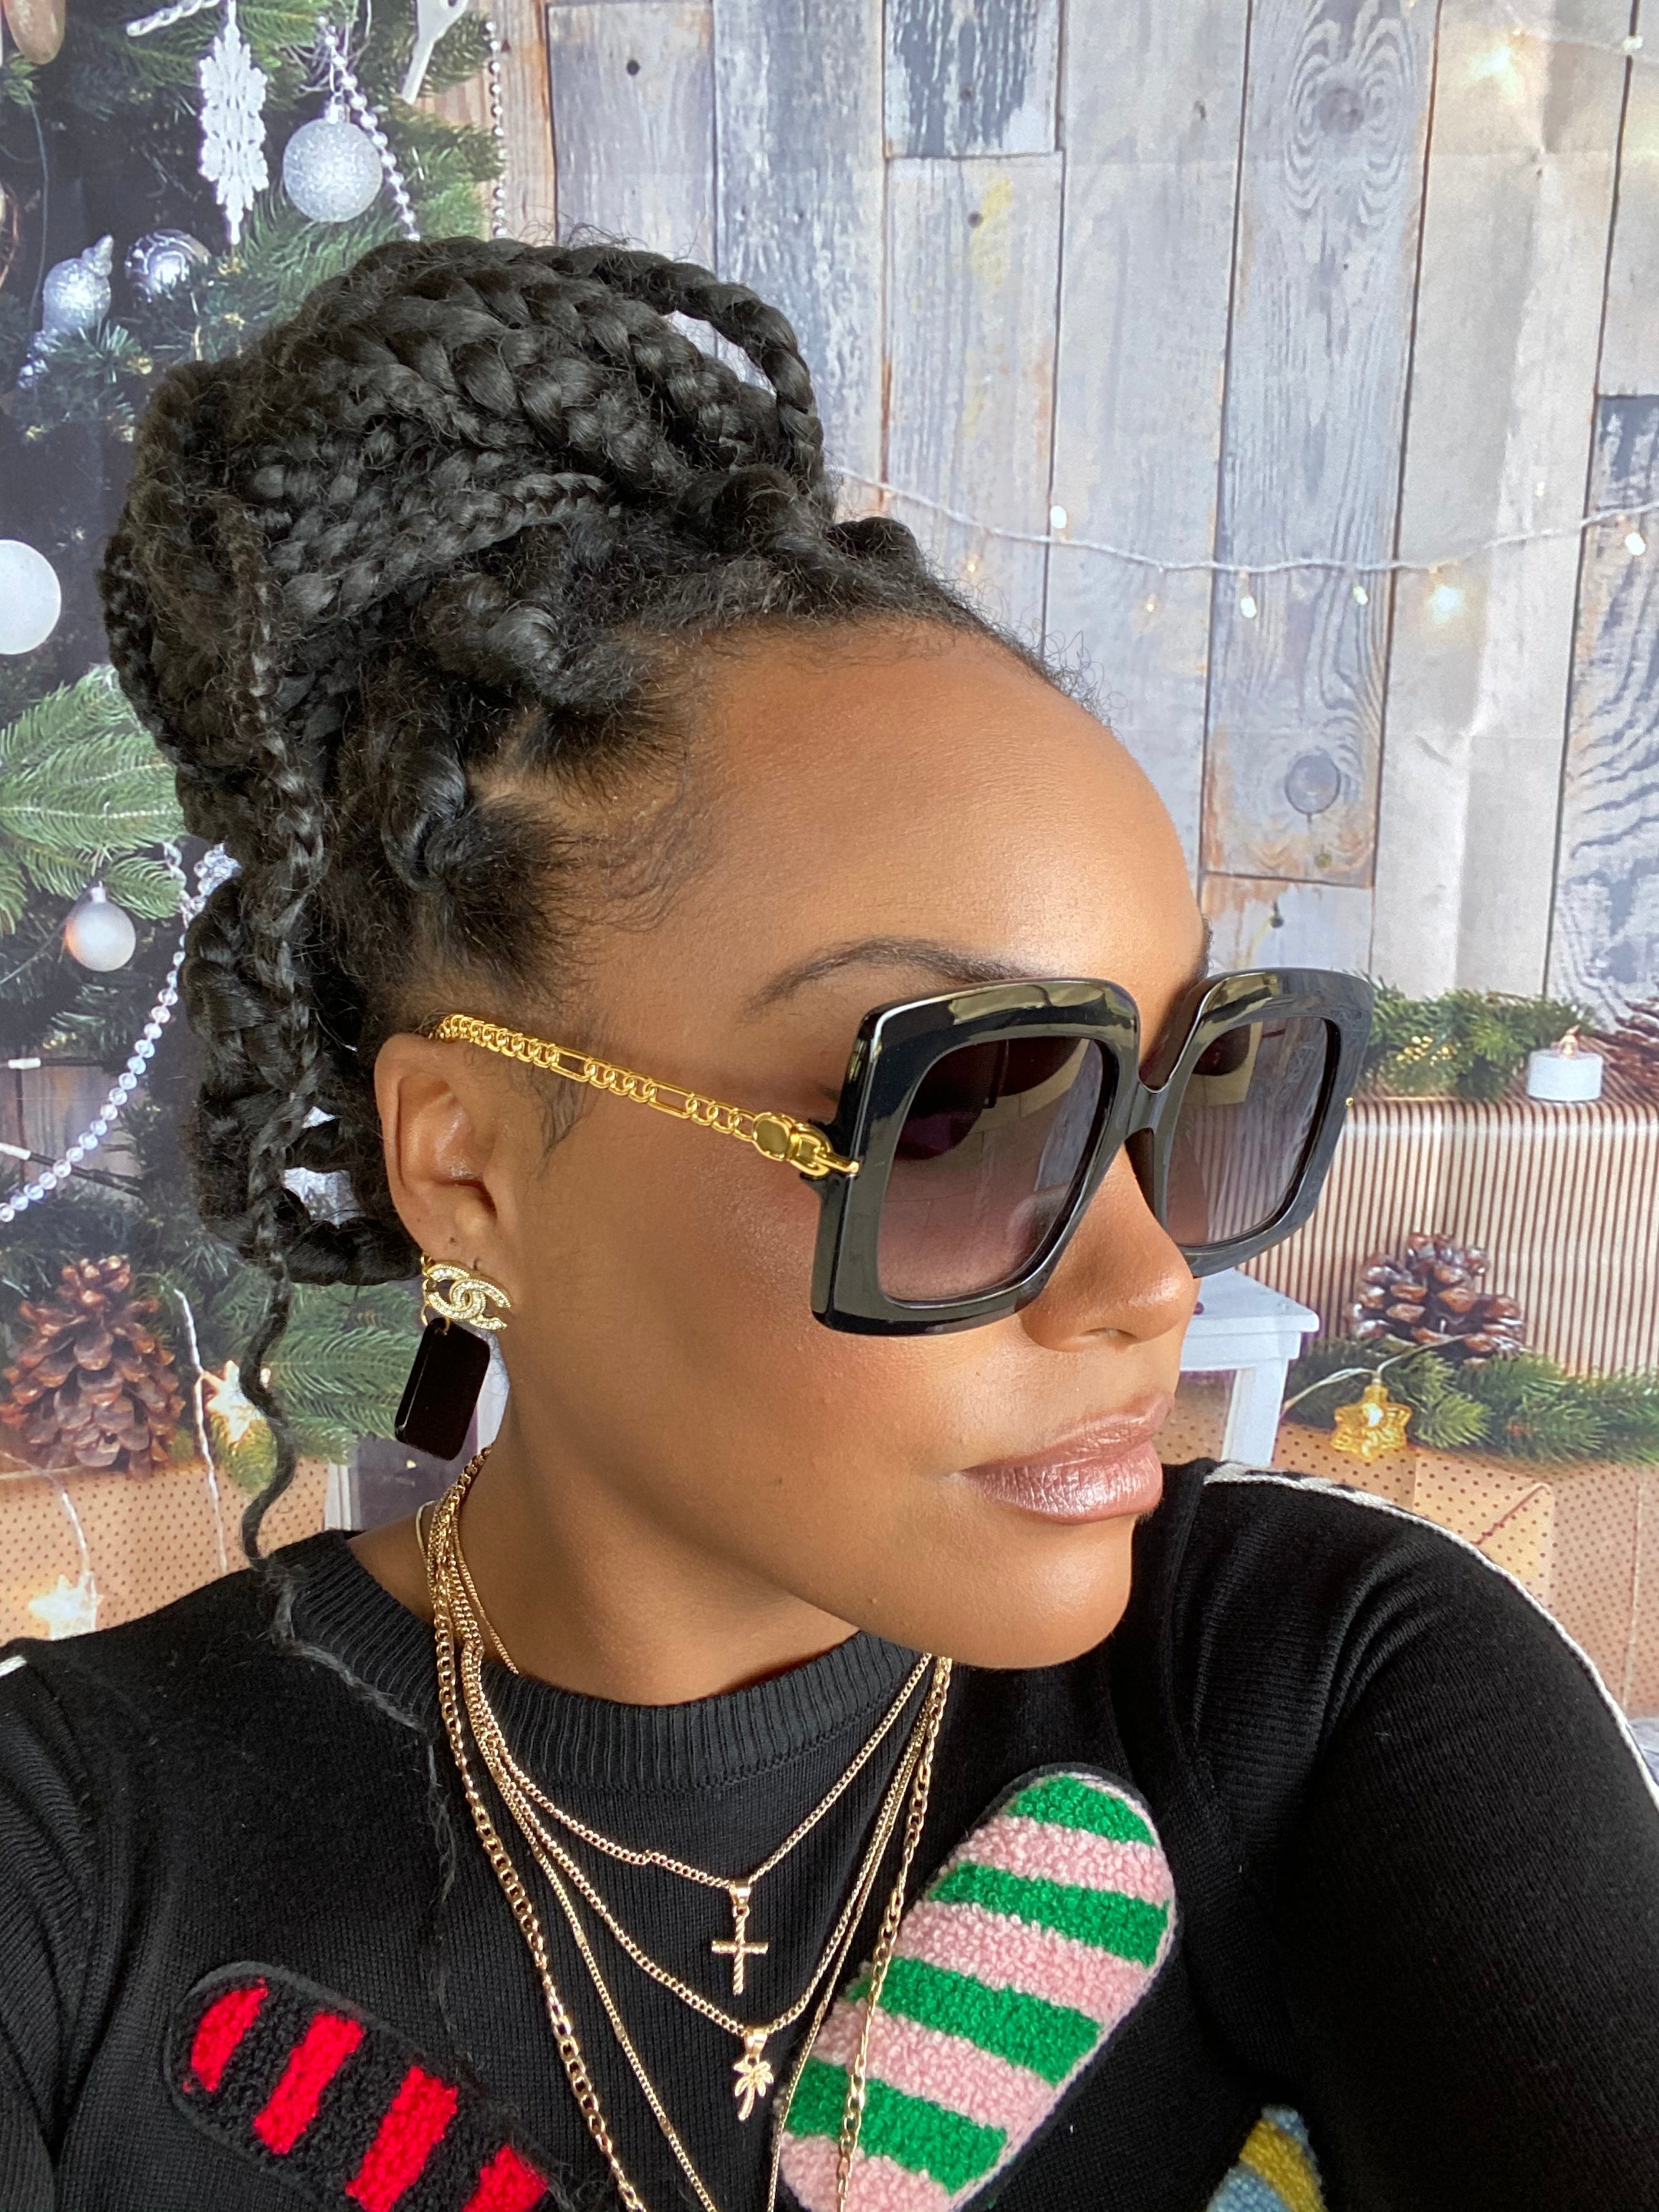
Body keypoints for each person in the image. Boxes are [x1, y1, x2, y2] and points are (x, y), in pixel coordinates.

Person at [2, 238, 1655, 2212]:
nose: (1150, 1283)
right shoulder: (68, 1864)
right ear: (471, 1168)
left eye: (1195, 1088)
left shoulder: (1321, 1687)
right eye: (967, 1115)